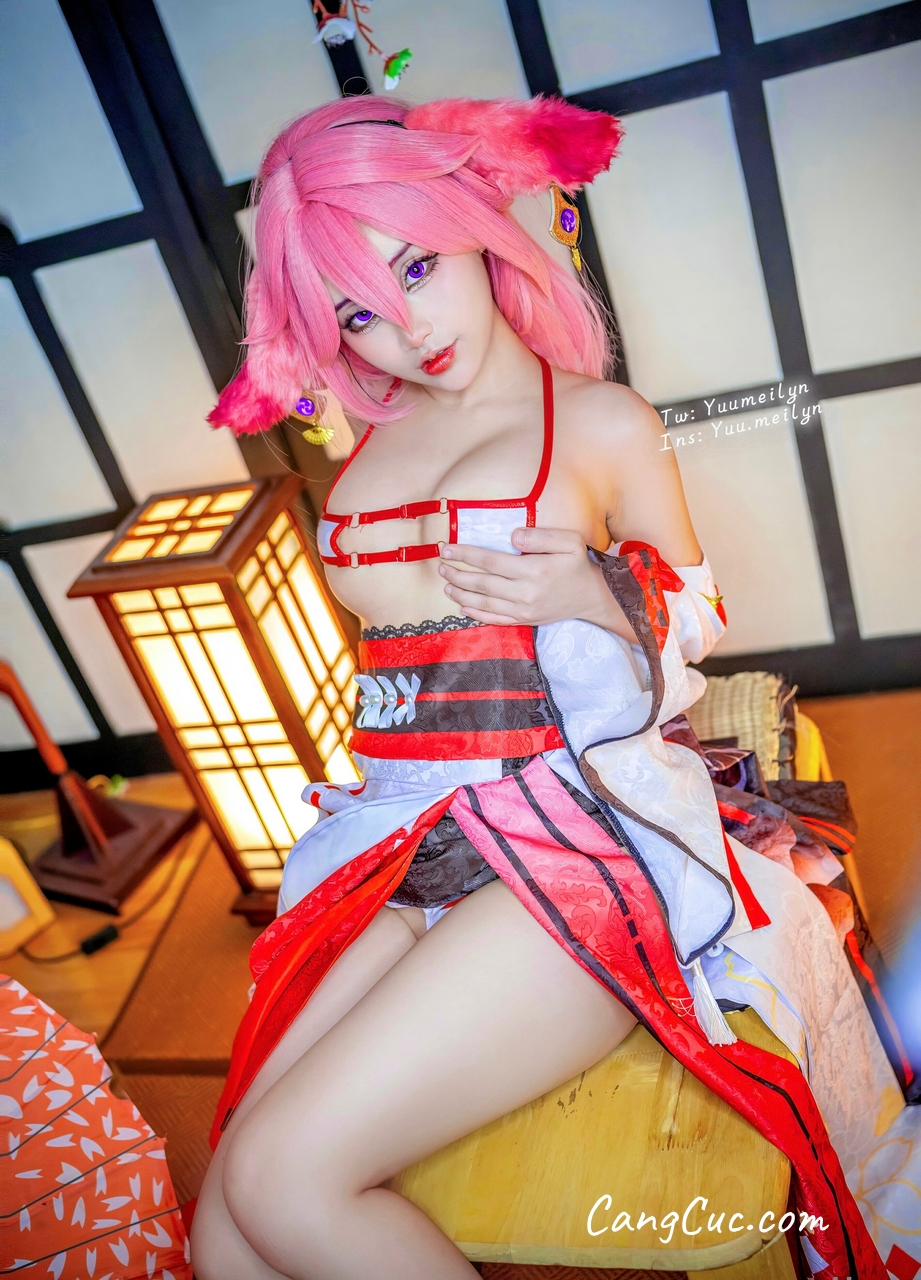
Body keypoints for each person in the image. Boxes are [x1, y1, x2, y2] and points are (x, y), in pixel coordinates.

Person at [192, 96, 902, 1280]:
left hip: (569, 842)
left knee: (280, 1177)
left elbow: (700, 612)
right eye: (359, 311)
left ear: (475, 231)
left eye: (418, 265)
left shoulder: (604, 422)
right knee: (223, 1224)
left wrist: (590, 588)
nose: (407, 327)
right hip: (398, 839)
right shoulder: (365, 457)